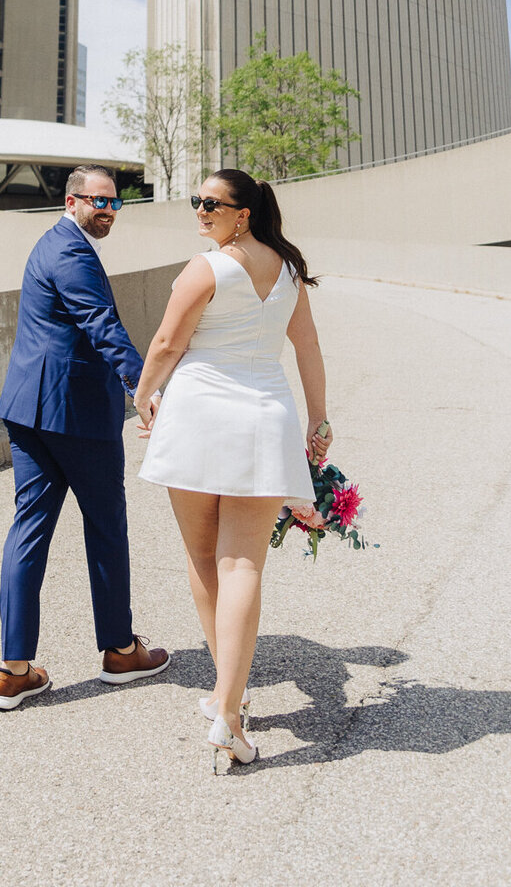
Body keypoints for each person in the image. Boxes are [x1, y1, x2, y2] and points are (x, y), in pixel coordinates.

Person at [134, 169, 331, 770]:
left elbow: (168, 343)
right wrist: (318, 421)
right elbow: (307, 347)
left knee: (204, 558)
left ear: (242, 212)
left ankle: (232, 698)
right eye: (197, 201)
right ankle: (227, 704)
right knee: (243, 562)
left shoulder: (207, 267)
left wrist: (143, 398)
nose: (199, 210)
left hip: (197, 415)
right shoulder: (289, 270)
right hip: (264, 417)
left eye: (211, 203)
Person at [0, 165, 170, 710]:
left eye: (117, 203)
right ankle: (119, 651)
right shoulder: (70, 250)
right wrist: (145, 386)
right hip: (74, 415)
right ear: (72, 201)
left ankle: (13, 670)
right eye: (100, 202)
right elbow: (100, 324)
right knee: (107, 528)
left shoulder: (52, 243)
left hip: (29, 410)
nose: (109, 211)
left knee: (29, 530)